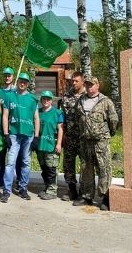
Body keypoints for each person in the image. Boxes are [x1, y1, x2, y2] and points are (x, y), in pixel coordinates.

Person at [72, 75, 118, 211]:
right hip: (85, 141)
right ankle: (87, 197)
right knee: (86, 169)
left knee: (104, 169)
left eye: (91, 84)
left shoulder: (105, 101)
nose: (89, 87)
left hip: (100, 141)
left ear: (98, 85)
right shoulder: (81, 100)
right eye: (87, 85)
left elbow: (113, 120)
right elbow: (77, 118)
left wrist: (107, 134)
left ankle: (105, 197)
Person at [0, 73, 39, 203]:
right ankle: (7, 190)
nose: (22, 83)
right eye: (21, 81)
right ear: (18, 82)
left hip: (28, 136)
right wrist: (6, 134)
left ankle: (23, 188)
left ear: (28, 84)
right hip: (14, 134)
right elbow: (5, 116)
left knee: (26, 163)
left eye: (25, 82)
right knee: (10, 162)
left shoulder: (33, 99)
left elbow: (36, 118)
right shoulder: (10, 96)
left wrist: (36, 136)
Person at [59, 71, 86, 201]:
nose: (73, 83)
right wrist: (62, 135)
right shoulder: (66, 96)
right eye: (72, 81)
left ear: (82, 81)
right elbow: (62, 117)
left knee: (85, 164)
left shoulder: (88, 95)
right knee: (68, 164)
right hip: (69, 136)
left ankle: (84, 191)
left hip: (84, 138)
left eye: (76, 81)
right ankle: (72, 190)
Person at [36, 90, 64, 200]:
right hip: (41, 146)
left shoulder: (57, 113)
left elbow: (60, 129)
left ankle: (52, 192)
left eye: (48, 99)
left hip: (51, 145)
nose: (46, 101)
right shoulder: (38, 112)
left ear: (51, 101)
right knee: (44, 168)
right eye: (44, 99)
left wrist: (59, 144)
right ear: (41, 100)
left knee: (51, 169)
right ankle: (47, 187)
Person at [0, 67, 16, 189]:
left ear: (13, 77)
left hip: (14, 129)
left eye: (9, 75)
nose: (7, 77)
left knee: (14, 158)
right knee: (0, 157)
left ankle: (15, 182)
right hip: (0, 129)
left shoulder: (16, 92)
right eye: (5, 75)